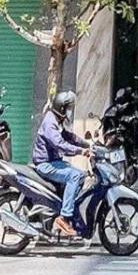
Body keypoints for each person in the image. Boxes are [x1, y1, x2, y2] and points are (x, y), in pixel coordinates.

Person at [32, 90, 85, 237]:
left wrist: (87, 144)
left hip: (54, 162)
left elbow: (68, 136)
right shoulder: (50, 122)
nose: (70, 111)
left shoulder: (57, 120)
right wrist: (80, 151)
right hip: (45, 164)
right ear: (61, 108)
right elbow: (59, 144)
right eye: (68, 108)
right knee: (74, 176)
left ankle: (68, 210)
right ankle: (64, 218)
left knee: (81, 175)